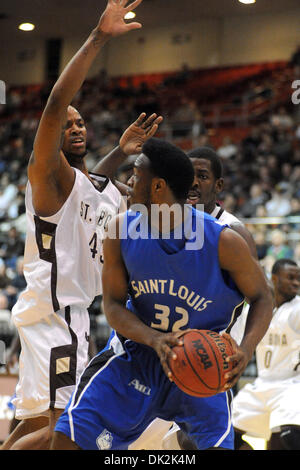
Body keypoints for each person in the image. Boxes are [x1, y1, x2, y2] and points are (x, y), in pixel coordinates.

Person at [0, 0, 162, 451]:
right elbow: (56, 103)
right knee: (69, 430)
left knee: (34, 427)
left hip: (52, 312)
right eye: (66, 123)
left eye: (81, 121)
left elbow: (97, 186)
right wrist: (99, 37)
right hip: (58, 314)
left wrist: (123, 152)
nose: (74, 125)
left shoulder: (99, 185)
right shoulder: (49, 177)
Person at [51, 137, 272, 450]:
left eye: (137, 175)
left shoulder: (224, 241)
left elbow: (264, 297)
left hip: (201, 357)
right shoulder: (120, 231)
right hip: (137, 353)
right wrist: (152, 338)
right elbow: (113, 306)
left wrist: (246, 348)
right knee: (66, 439)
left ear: (157, 188)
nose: (130, 181)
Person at [129, 145, 259, 450]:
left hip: (213, 346)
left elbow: (254, 298)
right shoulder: (164, 220)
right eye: (190, 175)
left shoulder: (232, 231)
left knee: (196, 436)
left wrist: (233, 345)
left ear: (218, 185)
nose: (194, 183)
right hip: (166, 345)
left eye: (203, 176)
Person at [233, 258, 300, 450]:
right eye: (290, 277)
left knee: (290, 436)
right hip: (262, 384)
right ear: (275, 279)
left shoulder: (297, 309)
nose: (296, 282)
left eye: (298, 278)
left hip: (292, 384)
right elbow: (235, 341)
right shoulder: (256, 311)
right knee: (227, 436)